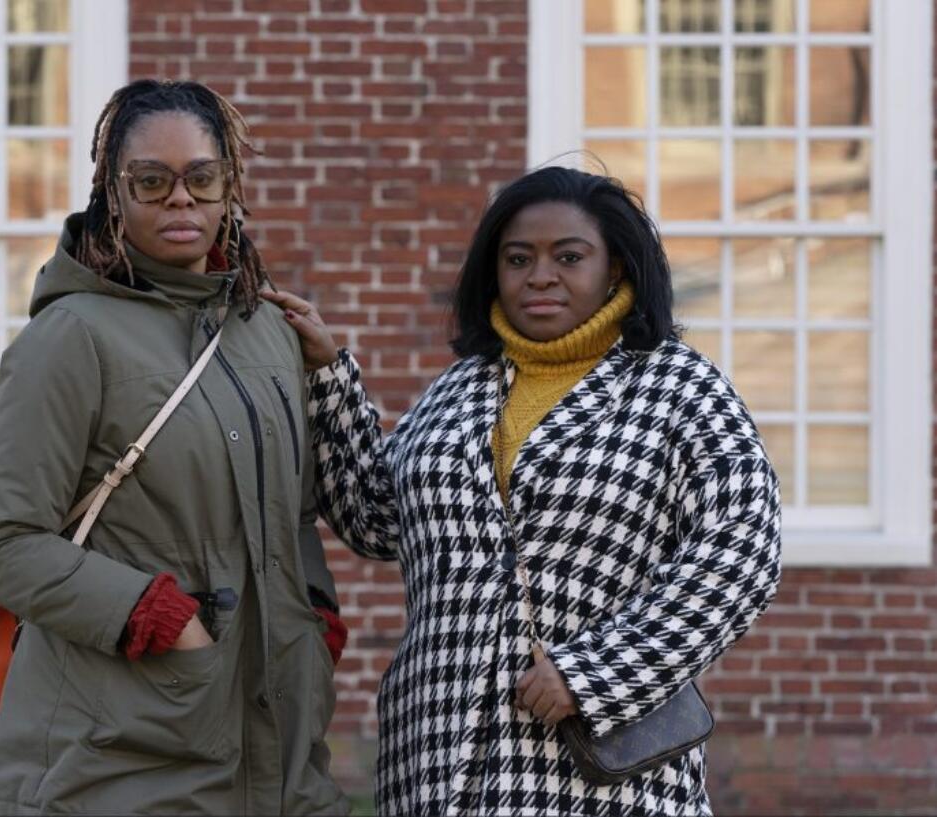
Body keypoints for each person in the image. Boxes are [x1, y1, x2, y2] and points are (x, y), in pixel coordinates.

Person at [265, 165, 782, 816]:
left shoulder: (680, 390)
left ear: (615, 267)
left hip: (601, 772)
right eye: (518, 258)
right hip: (437, 762)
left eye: (569, 256)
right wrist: (329, 375)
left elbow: (741, 555)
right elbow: (374, 515)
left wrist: (596, 674)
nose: (539, 275)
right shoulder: (460, 391)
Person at [0, 79, 349, 816]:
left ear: (229, 184)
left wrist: (311, 612)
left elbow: (294, 512)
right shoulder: (70, 338)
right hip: (121, 756)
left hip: (282, 749)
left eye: (201, 177)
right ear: (114, 191)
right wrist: (155, 612)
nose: (181, 199)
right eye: (152, 180)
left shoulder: (265, 330)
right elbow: (1, 543)